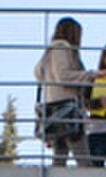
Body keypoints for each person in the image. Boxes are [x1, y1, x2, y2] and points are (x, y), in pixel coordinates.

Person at [34, 17, 92, 166]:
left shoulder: (48, 54)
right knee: (83, 158)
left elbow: (39, 75)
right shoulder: (62, 47)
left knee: (60, 157)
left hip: (53, 112)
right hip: (67, 110)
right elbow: (63, 75)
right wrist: (91, 75)